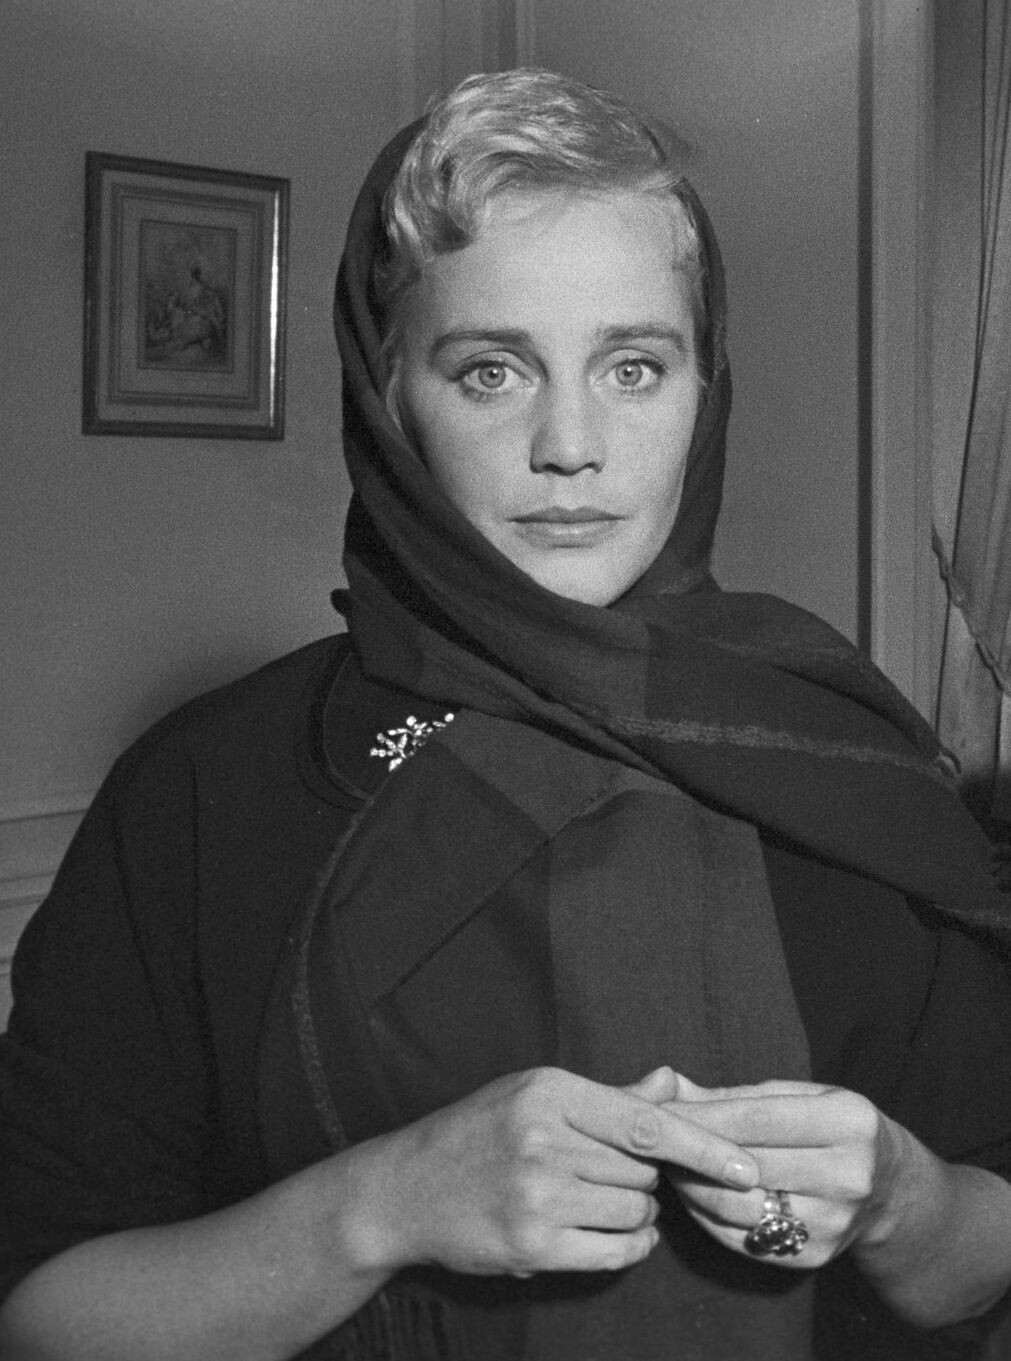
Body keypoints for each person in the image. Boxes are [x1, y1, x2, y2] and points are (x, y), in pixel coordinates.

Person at [2, 68, 1011, 1361]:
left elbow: (975, 1264)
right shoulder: (207, 790)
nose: (571, 443)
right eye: (491, 371)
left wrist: (904, 1202)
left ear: (707, 389)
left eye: (634, 366)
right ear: (389, 397)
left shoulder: (838, 753)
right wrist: (380, 1205)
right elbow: (42, 1312)